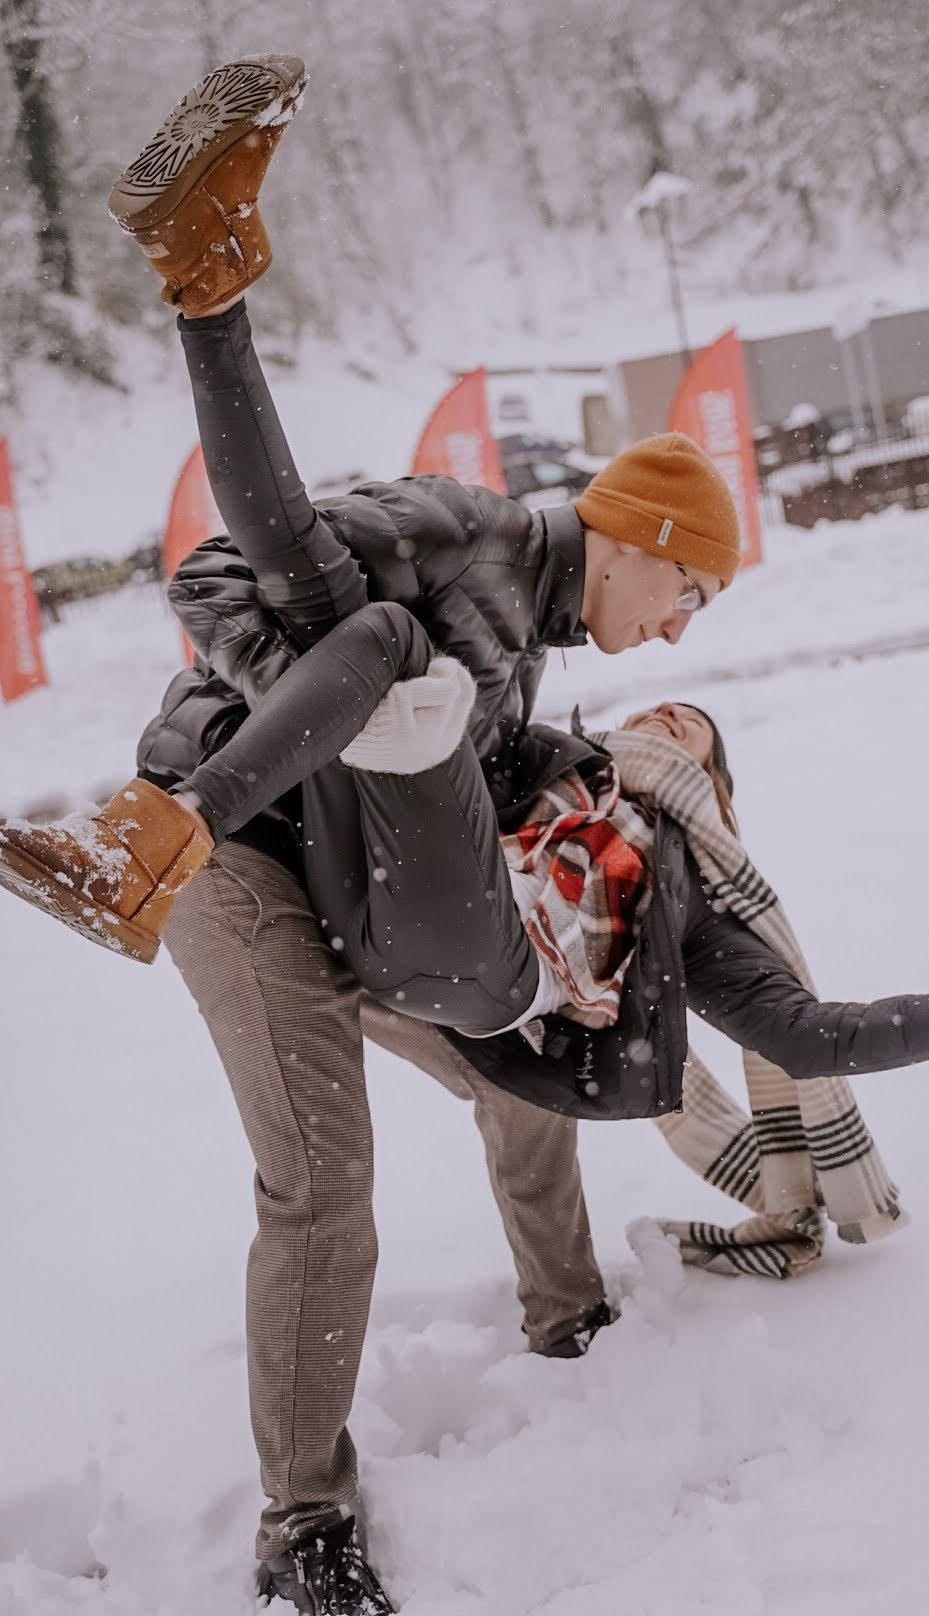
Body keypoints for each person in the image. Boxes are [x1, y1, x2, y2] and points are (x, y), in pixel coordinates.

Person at [0, 55, 743, 1616]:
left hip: (370, 897)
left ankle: (570, 1322)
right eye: (692, 595)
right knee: (325, 1186)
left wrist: (568, 766)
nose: (680, 630)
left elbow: (462, 747)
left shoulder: (529, 644)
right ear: (647, 543)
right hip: (251, 874)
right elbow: (220, 582)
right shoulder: (461, 524)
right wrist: (334, 720)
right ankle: (303, 1523)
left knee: (517, 1064)